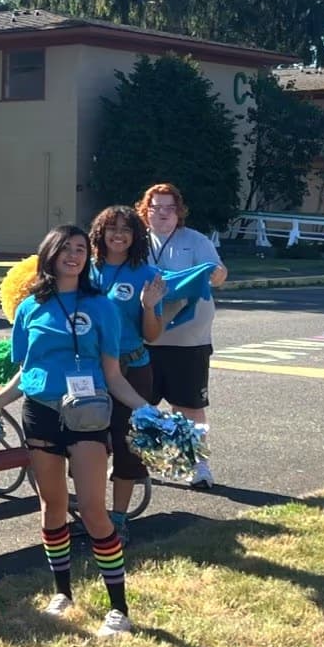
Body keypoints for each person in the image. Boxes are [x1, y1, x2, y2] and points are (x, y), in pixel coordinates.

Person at [0, 226, 153, 637]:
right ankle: (62, 593)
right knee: (52, 505)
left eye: (80, 249)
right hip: (40, 413)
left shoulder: (102, 307)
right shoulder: (30, 308)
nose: (74, 255)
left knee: (94, 510)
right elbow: (25, 371)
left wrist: (147, 410)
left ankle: (119, 610)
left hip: (88, 415)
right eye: (65, 248)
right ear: (50, 254)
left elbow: (113, 374)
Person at [88, 205, 168, 543]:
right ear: (100, 233)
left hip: (132, 369)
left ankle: (118, 518)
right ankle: (91, 512)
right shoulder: (84, 268)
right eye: (112, 228)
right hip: (89, 371)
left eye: (126, 229)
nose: (118, 235)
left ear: (136, 236)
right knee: (87, 443)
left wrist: (149, 306)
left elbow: (153, 335)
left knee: (128, 446)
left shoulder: (147, 274)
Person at [139, 183, 227, 488]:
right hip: (144, 338)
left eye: (170, 208)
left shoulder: (196, 241)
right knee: (139, 405)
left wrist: (217, 274)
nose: (163, 214)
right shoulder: (136, 241)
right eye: (156, 208)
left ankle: (196, 464)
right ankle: (135, 461)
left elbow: (218, 274)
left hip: (189, 340)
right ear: (146, 211)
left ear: (179, 212)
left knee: (188, 406)